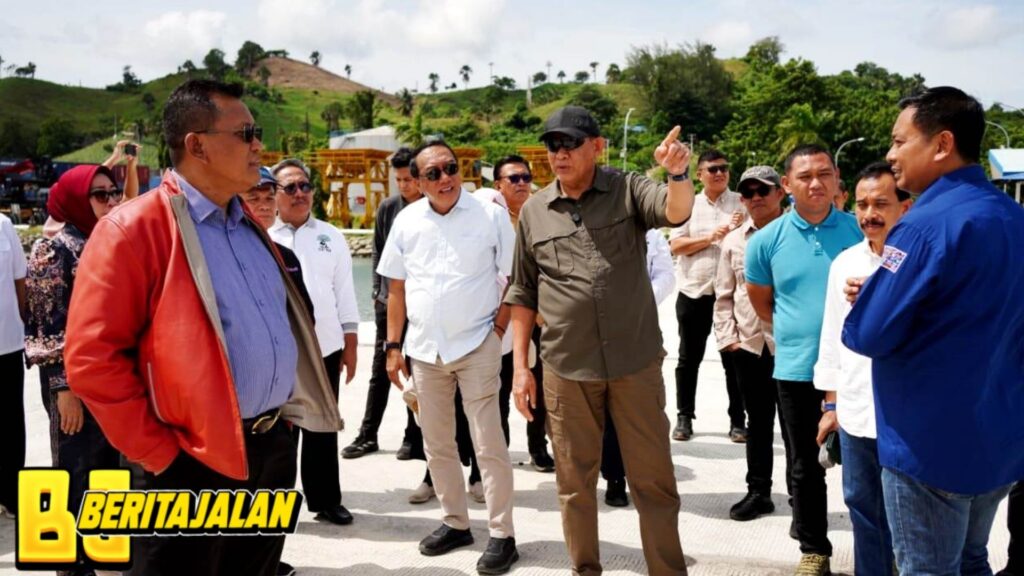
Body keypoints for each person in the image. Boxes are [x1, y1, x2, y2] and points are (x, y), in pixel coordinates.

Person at [64, 79, 342, 576]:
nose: (258, 145)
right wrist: (161, 457)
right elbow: (91, 361)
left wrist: (286, 421)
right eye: (245, 133)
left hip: (271, 450)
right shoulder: (133, 229)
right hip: (188, 461)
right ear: (197, 145)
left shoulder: (249, 225)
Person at [843, 86, 1024, 575]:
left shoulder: (923, 226)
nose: (891, 154)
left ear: (942, 144)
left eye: (900, 141)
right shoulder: (1013, 216)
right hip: (997, 439)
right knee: (972, 559)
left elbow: (870, 333)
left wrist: (874, 298)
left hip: (930, 445)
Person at [506, 105, 694, 575]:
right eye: (552, 145)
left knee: (653, 481)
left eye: (570, 143)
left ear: (596, 146)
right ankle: (584, 569)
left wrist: (677, 174)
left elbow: (676, 210)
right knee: (574, 485)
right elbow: (523, 292)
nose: (560, 153)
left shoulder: (628, 189)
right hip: (566, 368)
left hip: (634, 363)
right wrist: (521, 368)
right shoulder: (534, 211)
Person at [378, 141, 519, 574]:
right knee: (437, 444)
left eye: (451, 168)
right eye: (433, 174)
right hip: (424, 350)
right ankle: (456, 522)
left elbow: (516, 277)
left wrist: (498, 333)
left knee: (488, 443)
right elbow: (397, 288)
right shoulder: (407, 220)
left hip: (477, 345)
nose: (445, 178)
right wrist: (393, 346)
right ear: (418, 182)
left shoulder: (490, 215)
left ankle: (502, 534)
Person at [745, 144, 862, 575]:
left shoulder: (859, 230)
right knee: (805, 466)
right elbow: (763, 303)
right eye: (805, 176)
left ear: (837, 179)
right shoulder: (765, 241)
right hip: (797, 369)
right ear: (787, 185)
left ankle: (878, 548)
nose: (816, 183)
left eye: (824, 174)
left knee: (869, 463)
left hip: (859, 369)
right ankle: (814, 550)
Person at [23, 167, 124, 572]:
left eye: (114, 192)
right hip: (75, 385)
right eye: (100, 195)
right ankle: (71, 563)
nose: (111, 201)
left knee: (108, 471)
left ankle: (101, 554)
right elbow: (47, 327)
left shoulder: (111, 241)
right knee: (75, 469)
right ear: (76, 200)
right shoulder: (53, 250)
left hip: (113, 380)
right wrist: (64, 389)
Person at [815, 162, 909, 573]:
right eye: (862, 204)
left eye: (881, 204)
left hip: (906, 414)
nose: (870, 214)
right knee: (862, 506)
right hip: (855, 410)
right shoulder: (845, 263)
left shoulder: (919, 264)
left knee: (907, 516)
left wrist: (881, 297)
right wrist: (831, 405)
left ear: (905, 207)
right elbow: (832, 337)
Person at [268, 158, 359, 526]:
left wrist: (351, 341)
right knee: (279, 432)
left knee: (322, 426)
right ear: (274, 194)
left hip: (326, 347)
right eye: (290, 187)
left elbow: (344, 292)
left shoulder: (330, 236)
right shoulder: (264, 235)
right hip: (280, 353)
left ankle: (325, 500)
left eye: (305, 186)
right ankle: (276, 503)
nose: (300, 193)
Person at [714, 165, 793, 522]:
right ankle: (759, 492)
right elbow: (723, 295)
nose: (756, 198)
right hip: (749, 346)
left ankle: (800, 496)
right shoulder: (733, 241)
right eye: (748, 192)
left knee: (795, 427)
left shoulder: (799, 236)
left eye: (763, 190)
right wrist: (728, 339)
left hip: (791, 346)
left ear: (780, 192)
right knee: (757, 423)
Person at [345, 148, 424, 462]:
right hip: (388, 303)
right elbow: (378, 251)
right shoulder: (388, 208)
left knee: (417, 372)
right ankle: (368, 434)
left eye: (408, 179)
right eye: (399, 180)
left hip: (419, 306)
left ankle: (413, 437)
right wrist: (377, 292)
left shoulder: (431, 208)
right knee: (380, 371)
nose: (404, 185)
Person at [668, 149, 746, 442]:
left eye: (724, 168)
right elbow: (676, 245)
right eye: (713, 169)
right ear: (699, 174)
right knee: (688, 359)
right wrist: (712, 236)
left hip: (731, 294)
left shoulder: (742, 202)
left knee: (735, 361)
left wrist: (738, 229)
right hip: (694, 291)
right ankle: (684, 417)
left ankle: (738, 421)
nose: (719, 173)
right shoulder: (688, 204)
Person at [601, 226, 675, 507]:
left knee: (643, 410)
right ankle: (615, 478)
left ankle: (645, 478)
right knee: (608, 410)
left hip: (641, 329)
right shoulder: (594, 226)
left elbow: (666, 276)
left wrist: (639, 300)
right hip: (600, 328)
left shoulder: (652, 234)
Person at [491, 154, 555, 472]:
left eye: (526, 178)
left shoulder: (543, 213)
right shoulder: (490, 219)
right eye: (513, 178)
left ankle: (537, 447)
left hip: (539, 316)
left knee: (539, 386)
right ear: (498, 185)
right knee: (501, 388)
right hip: (501, 318)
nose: (521, 184)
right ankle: (499, 452)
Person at [0, 211, 27, 519]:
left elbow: (20, 278)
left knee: (10, 422)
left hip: (7, 342)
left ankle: (11, 494)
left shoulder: (4, 225)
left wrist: (26, 325)